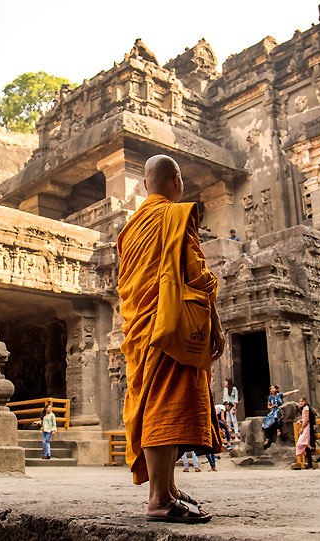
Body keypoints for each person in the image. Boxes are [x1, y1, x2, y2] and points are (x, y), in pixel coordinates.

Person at [118, 154, 225, 524]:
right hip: (170, 327)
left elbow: (132, 280)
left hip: (141, 326)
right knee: (167, 403)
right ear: (177, 181)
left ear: (146, 185)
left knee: (153, 402)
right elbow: (197, 275)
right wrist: (215, 323)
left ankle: (169, 486)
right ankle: (159, 498)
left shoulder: (130, 229)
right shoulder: (177, 217)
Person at [261, 385, 298, 449]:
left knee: (276, 416)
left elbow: (286, 394)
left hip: (280, 410)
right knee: (267, 422)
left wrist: (294, 391)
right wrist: (272, 406)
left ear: (276, 389)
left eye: (273, 388)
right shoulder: (270, 397)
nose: (272, 390)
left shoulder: (280, 395)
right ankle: (268, 438)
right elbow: (268, 406)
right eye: (271, 389)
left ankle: (278, 430)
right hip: (273, 410)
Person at [295, 397, 317, 469]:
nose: (300, 403)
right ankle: (309, 463)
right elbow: (305, 418)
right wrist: (301, 421)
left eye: (302, 401)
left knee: (301, 443)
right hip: (306, 427)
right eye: (299, 401)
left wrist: (302, 428)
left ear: (305, 402)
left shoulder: (306, 408)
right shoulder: (304, 409)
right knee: (306, 445)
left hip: (307, 428)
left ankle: (309, 462)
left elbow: (307, 419)